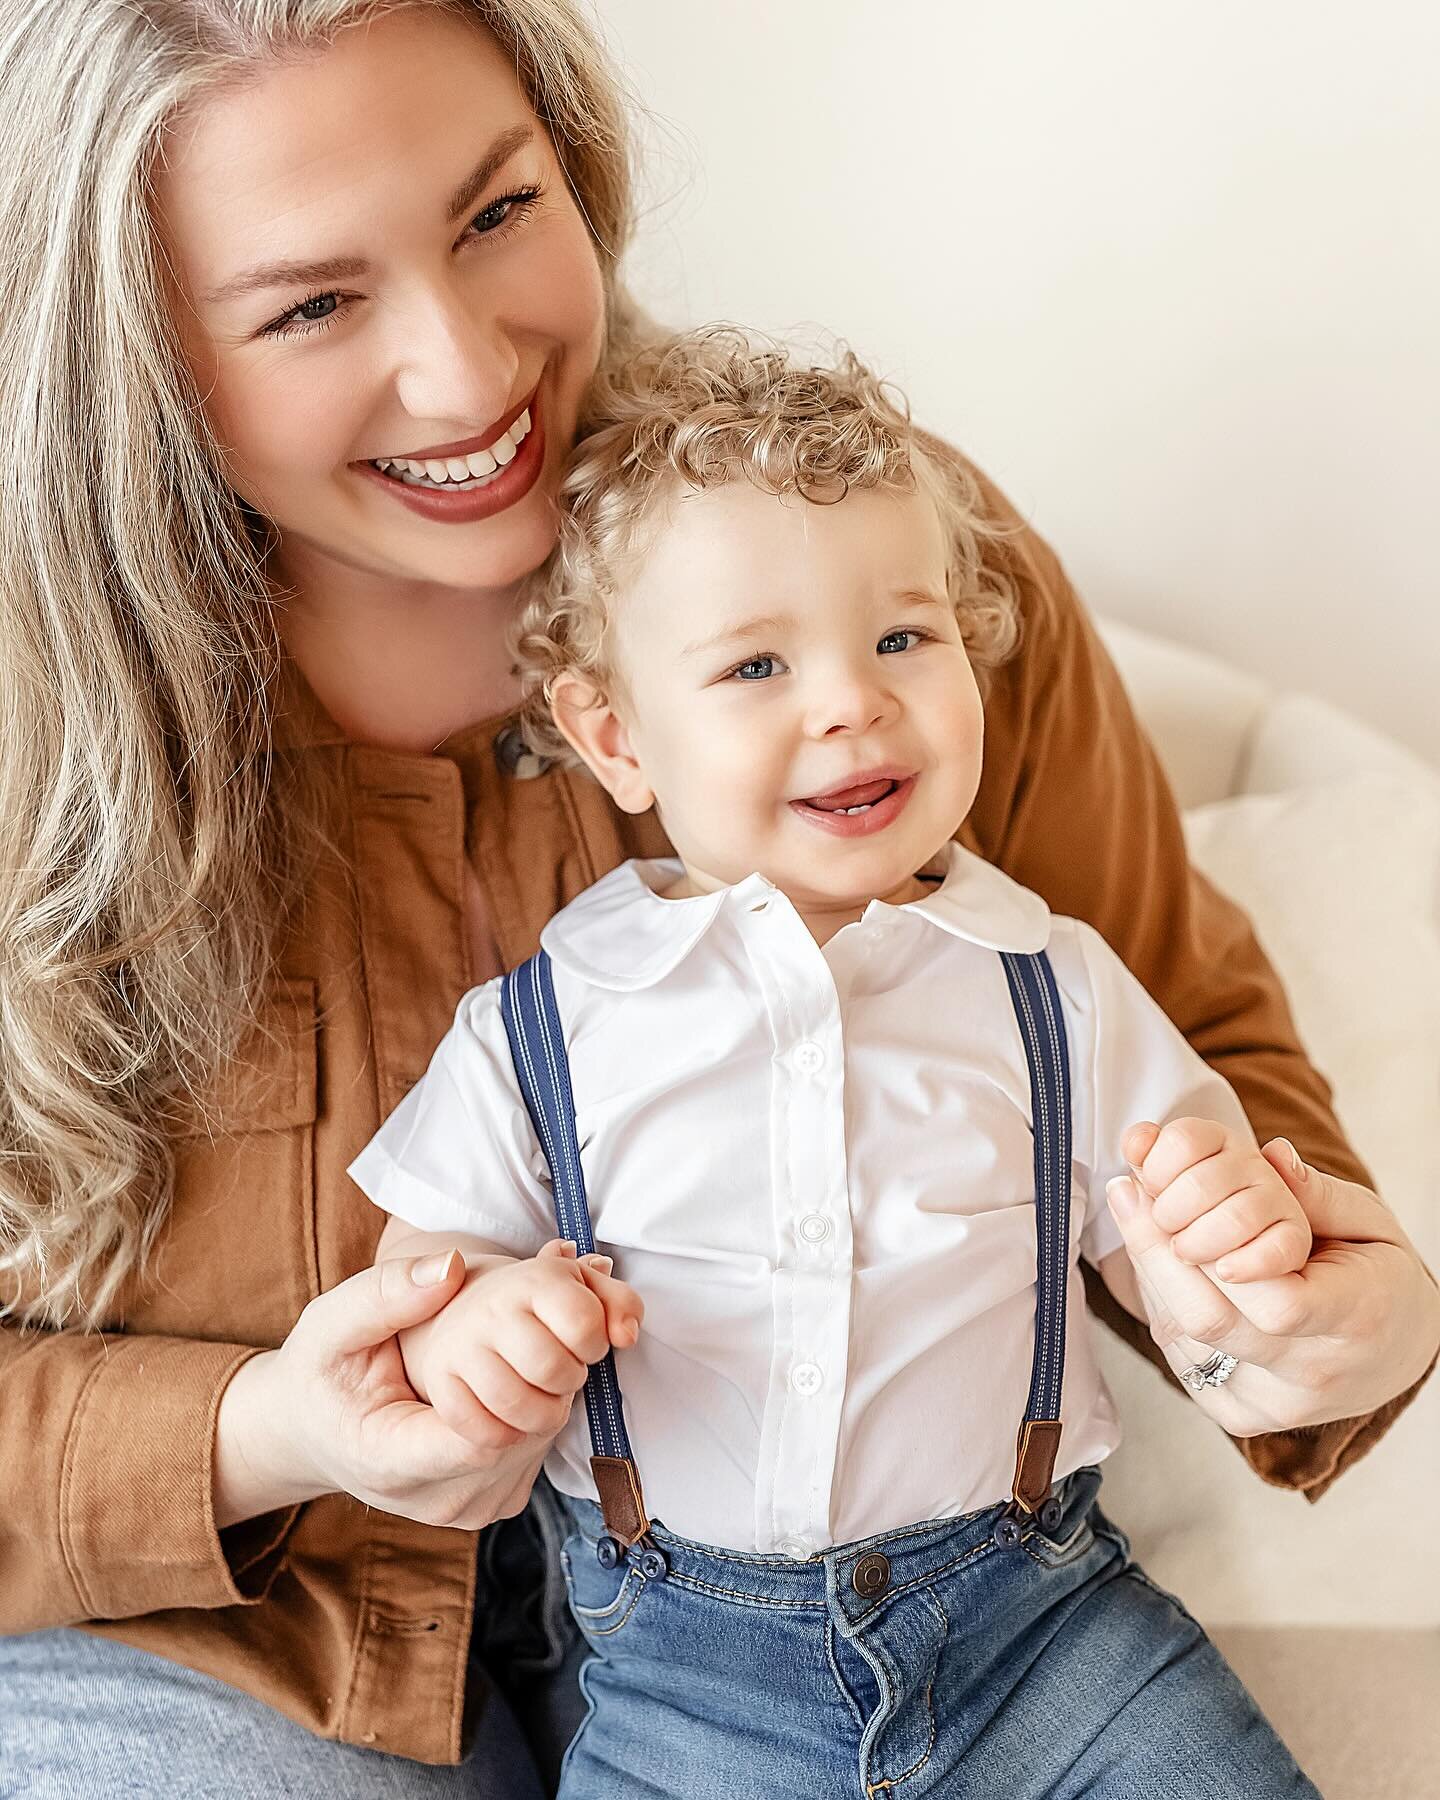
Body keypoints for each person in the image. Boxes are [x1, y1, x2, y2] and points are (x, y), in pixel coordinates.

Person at [0, 4, 1433, 1797]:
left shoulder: (876, 558)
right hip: (228, 1642)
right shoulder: (27, 720)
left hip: (937, 1607)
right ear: (126, 349)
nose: (467, 373)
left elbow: (1183, 1074)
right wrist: (262, 1429)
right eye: (309, 306)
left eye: (497, 213)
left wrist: (1317, 1319)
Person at [347, 329, 1332, 1795]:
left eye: (903, 637)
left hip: (1048, 1636)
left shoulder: (1049, 982)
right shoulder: (550, 1020)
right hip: (691, 1689)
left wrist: (1235, 1240)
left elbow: (1197, 1255)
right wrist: (478, 1332)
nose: (852, 701)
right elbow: (417, 1285)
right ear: (615, 736)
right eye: (755, 663)